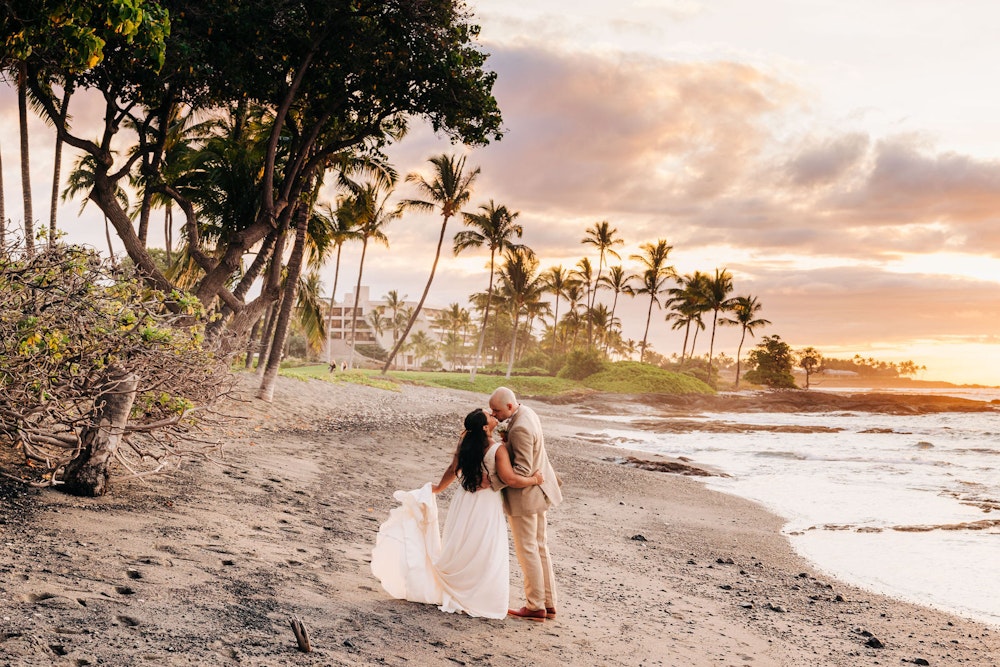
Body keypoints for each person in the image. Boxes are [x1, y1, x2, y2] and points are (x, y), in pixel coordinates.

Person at [370, 408, 543, 619]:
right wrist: (535, 480)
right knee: (484, 548)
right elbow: (511, 479)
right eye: (489, 415)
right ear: (485, 427)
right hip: (486, 503)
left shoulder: (467, 443)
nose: (492, 414)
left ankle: (459, 586)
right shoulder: (498, 450)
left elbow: (453, 469)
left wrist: (438, 488)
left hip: (464, 500)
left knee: (462, 543)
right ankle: (476, 593)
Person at [489, 386, 562, 622]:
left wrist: (490, 478)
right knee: (540, 547)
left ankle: (535, 606)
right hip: (540, 491)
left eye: (496, 410)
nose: (494, 414)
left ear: (510, 406)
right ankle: (548, 604)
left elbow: (521, 470)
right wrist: (507, 442)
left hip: (526, 497)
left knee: (527, 550)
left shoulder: (519, 427)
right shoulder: (527, 412)